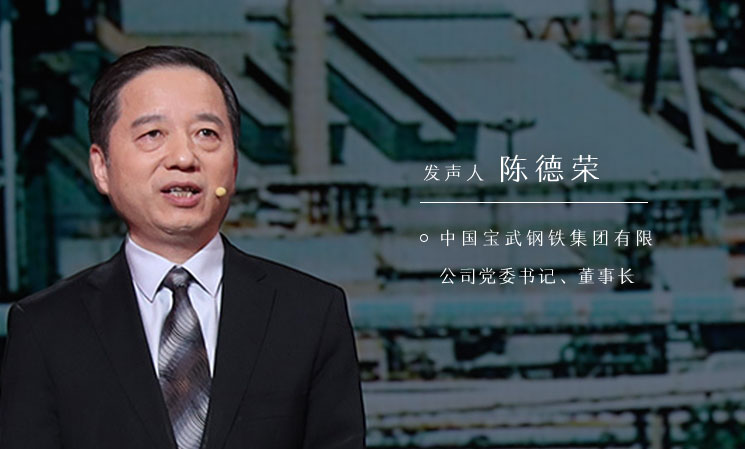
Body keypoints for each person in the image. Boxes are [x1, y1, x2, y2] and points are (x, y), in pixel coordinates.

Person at [0, 46, 366, 449]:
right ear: (101, 167)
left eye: (206, 134)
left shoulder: (311, 313)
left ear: (233, 166)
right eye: (153, 134)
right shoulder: (46, 328)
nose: (183, 157)